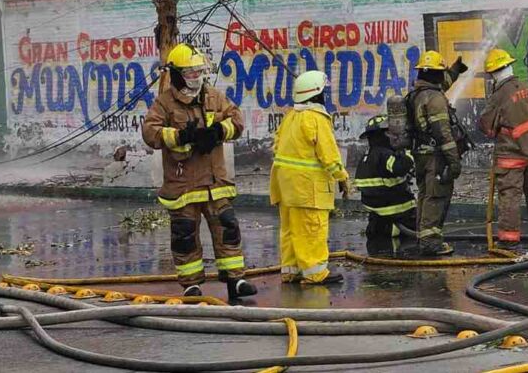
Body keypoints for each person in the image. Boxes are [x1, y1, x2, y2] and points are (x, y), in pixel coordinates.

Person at [142, 43, 257, 300]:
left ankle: (235, 280)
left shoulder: (214, 97)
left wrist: (218, 131)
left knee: (227, 229)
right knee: (185, 235)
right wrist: (182, 135)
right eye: (191, 73)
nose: (197, 77)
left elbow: (236, 120)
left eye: (200, 71)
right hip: (184, 185)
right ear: (178, 74)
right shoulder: (164, 103)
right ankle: (191, 285)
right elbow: (150, 133)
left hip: (215, 183)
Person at [269, 69, 350, 285]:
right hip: (308, 189)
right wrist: (341, 176)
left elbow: (276, 146)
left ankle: (291, 270)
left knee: (290, 230)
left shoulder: (290, 117)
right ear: (316, 94)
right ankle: (315, 272)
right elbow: (329, 153)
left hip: (285, 188)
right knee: (312, 229)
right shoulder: (316, 118)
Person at [478, 48, 528, 250]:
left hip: (511, 156)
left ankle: (509, 242)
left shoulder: (499, 95)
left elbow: (486, 125)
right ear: (510, 66)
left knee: (509, 197)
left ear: (494, 73)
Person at [407, 50, 467, 256]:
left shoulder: (418, 93)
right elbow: (443, 134)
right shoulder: (434, 99)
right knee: (436, 196)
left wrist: (454, 70)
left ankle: (423, 236)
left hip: (421, 155)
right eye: (441, 72)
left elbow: (442, 82)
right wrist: (454, 162)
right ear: (435, 74)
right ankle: (430, 242)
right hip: (435, 156)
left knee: (425, 195)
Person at [354, 114, 416, 256]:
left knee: (379, 225)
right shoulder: (384, 154)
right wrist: (409, 153)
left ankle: (380, 227)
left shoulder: (369, 154)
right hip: (394, 207)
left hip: (375, 206)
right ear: (381, 135)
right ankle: (394, 229)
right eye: (390, 133)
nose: (393, 137)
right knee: (419, 225)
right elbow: (399, 168)